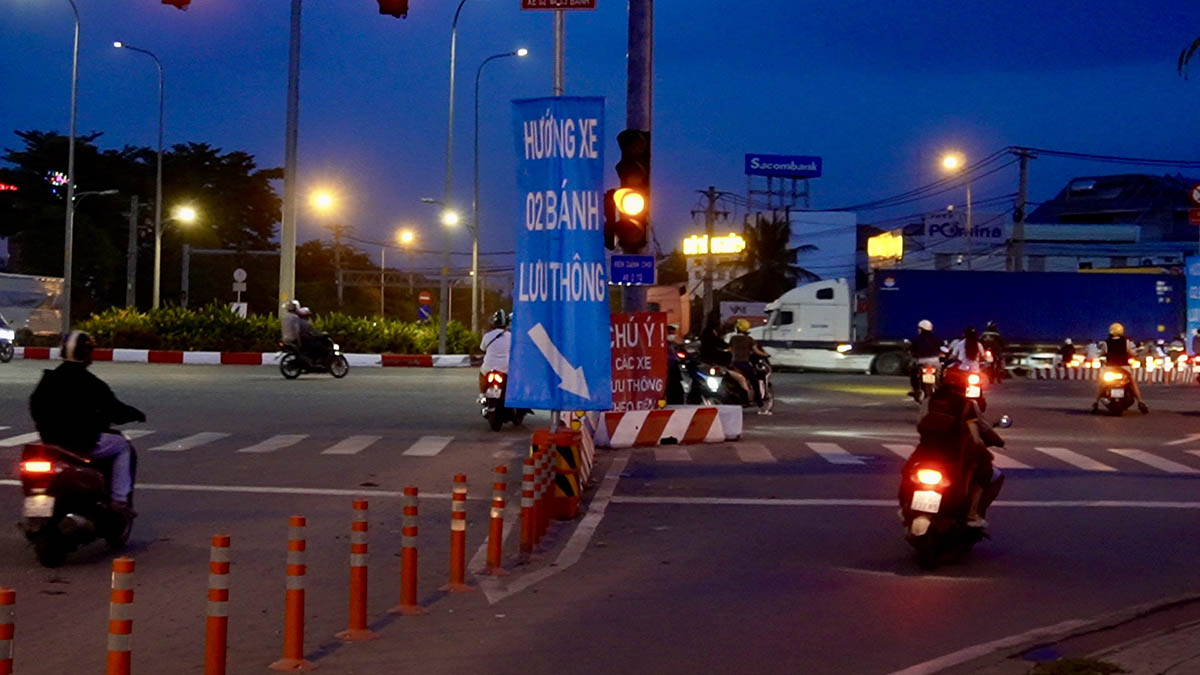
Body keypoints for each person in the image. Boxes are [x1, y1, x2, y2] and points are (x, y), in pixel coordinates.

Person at [28, 331, 145, 515]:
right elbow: (113, 409)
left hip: (52, 444)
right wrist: (136, 414)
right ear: (86, 354)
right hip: (83, 444)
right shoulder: (91, 383)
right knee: (123, 446)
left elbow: (35, 407)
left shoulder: (48, 380)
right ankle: (119, 502)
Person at [910, 369, 1002, 528]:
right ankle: (972, 514)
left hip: (926, 451)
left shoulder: (929, 401)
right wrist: (998, 441)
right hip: (955, 453)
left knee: (907, 472)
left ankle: (905, 507)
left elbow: (920, 423)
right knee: (986, 470)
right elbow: (984, 427)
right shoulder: (968, 404)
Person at [1093, 322, 1148, 414]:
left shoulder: (1106, 343)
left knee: (1102, 384)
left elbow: (1100, 354)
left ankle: (1096, 402)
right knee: (1132, 383)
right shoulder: (1126, 342)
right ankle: (1140, 402)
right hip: (1124, 368)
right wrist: (1137, 354)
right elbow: (1132, 353)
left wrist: (1099, 357)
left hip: (1110, 368)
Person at [729, 319, 770, 411]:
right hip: (744, 364)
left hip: (733, 364)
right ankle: (759, 402)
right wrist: (766, 355)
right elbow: (757, 351)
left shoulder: (733, 338)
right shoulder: (749, 339)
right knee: (754, 380)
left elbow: (729, 350)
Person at [908, 319, 942, 400]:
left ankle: (915, 389)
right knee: (940, 376)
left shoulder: (916, 339)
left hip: (922, 362)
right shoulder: (936, 338)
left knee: (913, 373)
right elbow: (942, 348)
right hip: (935, 362)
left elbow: (912, 350)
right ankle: (939, 387)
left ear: (921, 329)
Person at [479, 309, 511, 394]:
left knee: (482, 374)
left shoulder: (487, 336)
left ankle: (482, 394)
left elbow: (482, 348)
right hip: (506, 368)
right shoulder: (511, 336)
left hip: (488, 367)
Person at [665, 324, 685, 405]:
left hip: (674, 372)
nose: (672, 335)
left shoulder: (672, 344)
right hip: (669, 373)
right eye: (670, 333)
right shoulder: (663, 344)